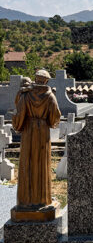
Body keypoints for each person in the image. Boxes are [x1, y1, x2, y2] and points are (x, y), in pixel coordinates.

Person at [12, 70, 61, 208]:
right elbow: (55, 117)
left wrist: (17, 123)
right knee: (42, 163)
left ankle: (26, 201)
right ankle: (42, 200)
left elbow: (19, 113)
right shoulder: (50, 96)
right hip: (43, 131)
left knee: (27, 163)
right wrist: (47, 122)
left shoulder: (27, 95)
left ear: (36, 79)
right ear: (46, 81)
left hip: (28, 130)